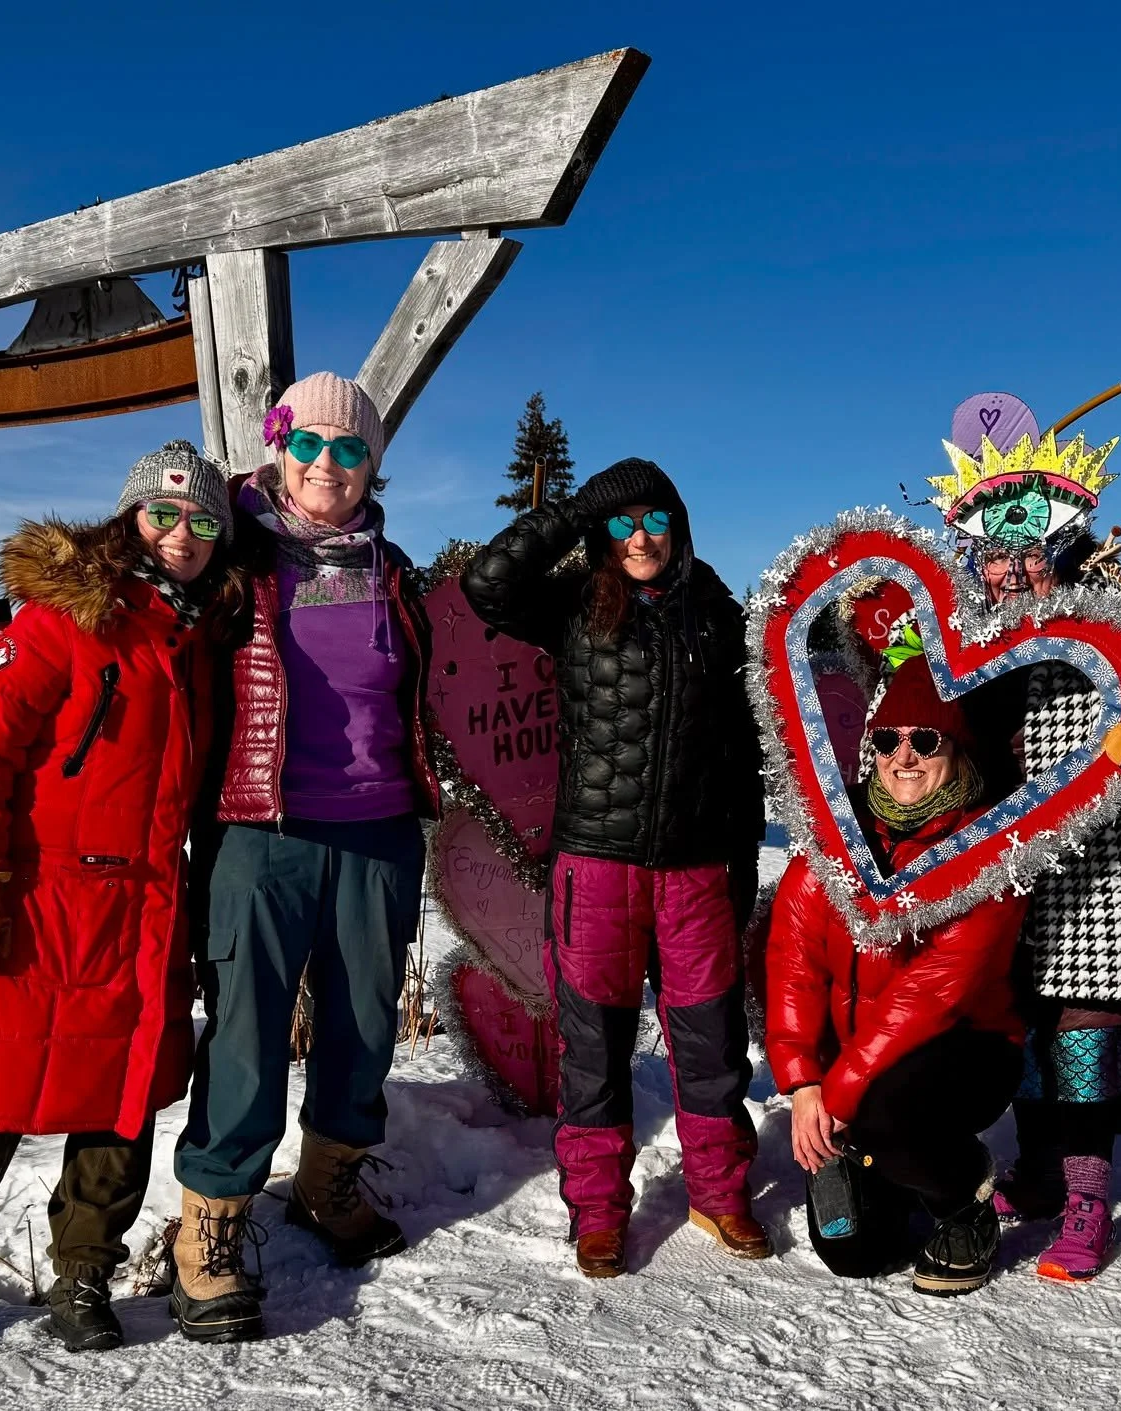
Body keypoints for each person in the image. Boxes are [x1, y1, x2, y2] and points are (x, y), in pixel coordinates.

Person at [0, 442, 246, 1361]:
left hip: (143, 908)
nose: (183, 535)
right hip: (37, 898)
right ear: (129, 519)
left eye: (204, 522)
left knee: (119, 1099)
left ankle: (82, 1277)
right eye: (164, 514)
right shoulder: (65, 621)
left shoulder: (198, 638)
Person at [169, 372, 438, 1344]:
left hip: (378, 827)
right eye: (311, 445)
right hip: (261, 827)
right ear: (278, 446)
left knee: (364, 1020)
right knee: (244, 1029)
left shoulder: (393, 567)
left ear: (372, 464)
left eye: (351, 449)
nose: (329, 465)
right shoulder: (232, 555)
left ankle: (326, 1183)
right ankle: (211, 1221)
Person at [927, 395, 1121, 1284]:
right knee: (1030, 1036)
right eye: (996, 550)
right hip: (1014, 883)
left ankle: (1089, 1202)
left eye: (1029, 544)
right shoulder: (969, 642)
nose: (1014, 566)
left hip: (1106, 886)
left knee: (1084, 1043)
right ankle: (1042, 1172)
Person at [462, 458, 768, 1279]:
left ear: (679, 526)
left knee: (711, 1040)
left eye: (655, 520)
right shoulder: (574, 606)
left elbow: (741, 752)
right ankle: (598, 1209)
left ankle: (718, 1191)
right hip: (595, 864)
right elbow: (487, 585)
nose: (639, 537)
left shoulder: (719, 614)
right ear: (603, 530)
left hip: (696, 866)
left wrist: (740, 857)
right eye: (623, 523)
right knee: (594, 1045)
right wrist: (573, 509)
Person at [766, 656, 1027, 1296]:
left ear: (957, 750)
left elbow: (935, 988)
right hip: (853, 1073)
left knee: (889, 1122)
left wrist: (840, 1095)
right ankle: (895, 1163)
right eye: (888, 740)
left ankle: (965, 1195)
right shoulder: (834, 838)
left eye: (925, 740)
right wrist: (802, 1082)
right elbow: (792, 962)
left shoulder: (987, 846)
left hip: (964, 1045)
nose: (903, 756)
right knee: (856, 1252)